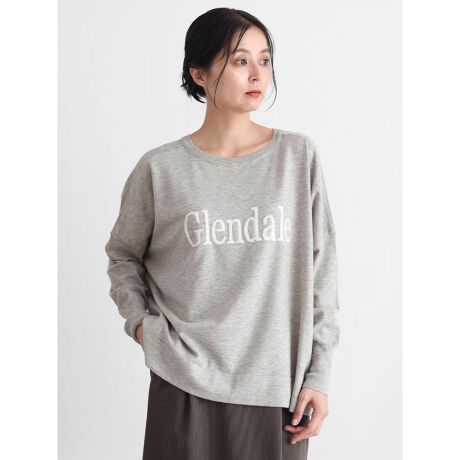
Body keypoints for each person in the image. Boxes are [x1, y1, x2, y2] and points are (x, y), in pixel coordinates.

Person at [104, 7, 340, 460]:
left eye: (265, 60)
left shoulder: (297, 158)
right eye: (239, 60)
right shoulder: (161, 170)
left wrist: (319, 376)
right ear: (199, 73)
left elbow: (322, 273)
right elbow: (123, 256)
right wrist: (141, 326)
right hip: (184, 382)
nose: (257, 74)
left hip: (277, 392)